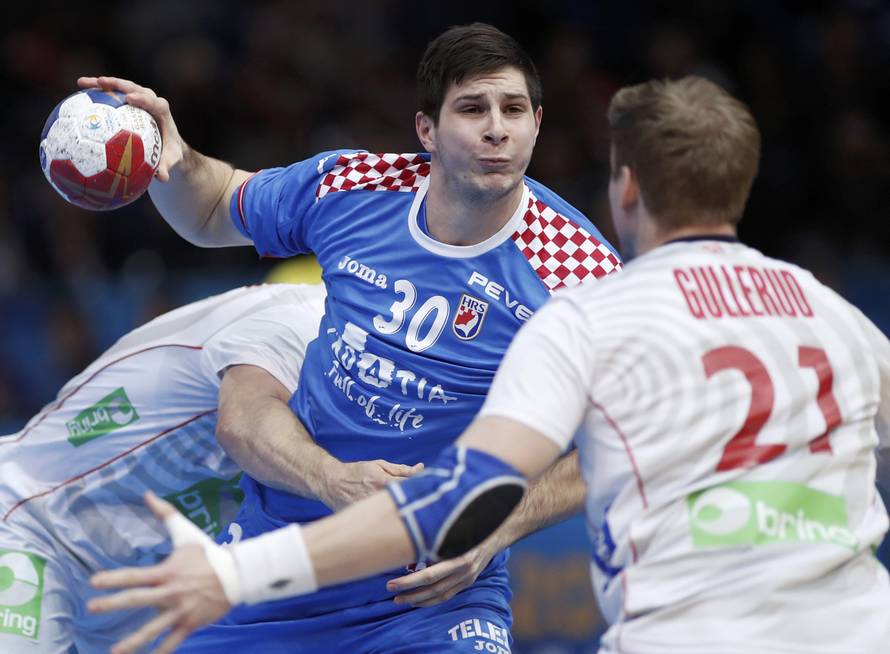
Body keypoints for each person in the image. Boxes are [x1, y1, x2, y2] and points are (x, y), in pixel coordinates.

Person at [92, 75, 890, 654]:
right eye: (473, 110)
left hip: (679, 633)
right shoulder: (839, 317)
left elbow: (450, 503)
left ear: (627, 189)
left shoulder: (592, 311)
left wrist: (237, 575)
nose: (496, 130)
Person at [78, 22, 620, 653]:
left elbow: (624, 434)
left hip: (431, 592)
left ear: (536, 122)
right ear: (427, 131)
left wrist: (497, 528)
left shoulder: (578, 270)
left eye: (514, 109)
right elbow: (212, 207)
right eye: (472, 108)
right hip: (279, 563)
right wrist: (172, 158)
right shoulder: (353, 186)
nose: (497, 127)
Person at [0, 282, 338, 653]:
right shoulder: (304, 322)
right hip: (29, 521)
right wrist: (331, 479)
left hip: (146, 585)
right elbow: (240, 426)